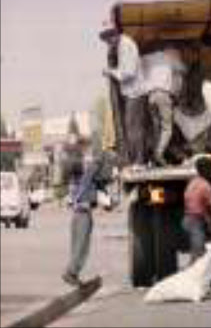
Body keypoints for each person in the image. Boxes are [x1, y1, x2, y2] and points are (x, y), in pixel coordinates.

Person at [101, 29, 147, 169]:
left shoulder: (126, 46)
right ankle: (137, 160)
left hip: (134, 92)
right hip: (132, 92)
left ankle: (138, 161)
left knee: (133, 128)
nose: (108, 44)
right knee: (132, 127)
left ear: (113, 35)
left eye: (108, 40)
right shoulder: (123, 44)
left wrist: (110, 72)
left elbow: (128, 72)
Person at [62, 154, 110, 287]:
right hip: (83, 215)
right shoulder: (85, 179)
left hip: (77, 215)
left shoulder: (74, 182)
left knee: (77, 246)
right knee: (82, 247)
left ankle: (73, 273)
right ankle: (70, 273)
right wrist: (101, 158)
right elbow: (93, 169)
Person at [142, 48, 187, 166]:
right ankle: (159, 153)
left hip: (151, 97)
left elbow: (139, 63)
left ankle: (152, 156)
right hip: (163, 95)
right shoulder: (169, 58)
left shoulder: (149, 57)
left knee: (156, 128)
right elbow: (183, 69)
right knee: (167, 128)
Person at [182, 156, 211, 265]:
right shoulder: (206, 186)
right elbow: (210, 206)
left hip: (187, 218)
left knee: (197, 248)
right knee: (198, 250)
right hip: (196, 220)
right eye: (210, 168)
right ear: (206, 170)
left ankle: (194, 268)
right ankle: (194, 272)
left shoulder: (192, 182)